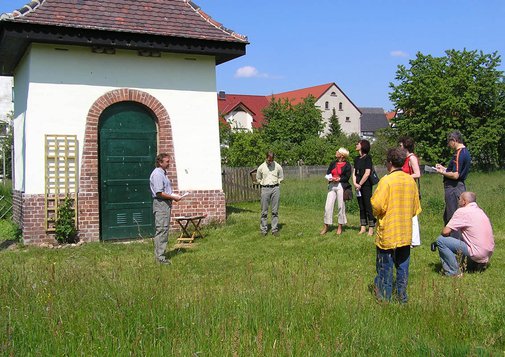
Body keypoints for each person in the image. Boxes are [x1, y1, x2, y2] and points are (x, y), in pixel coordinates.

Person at [371, 148, 421, 303]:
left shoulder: (386, 181)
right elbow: (415, 209)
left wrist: (376, 212)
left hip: (388, 232)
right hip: (405, 233)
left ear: (390, 163)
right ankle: (402, 297)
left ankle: (385, 298)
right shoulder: (410, 181)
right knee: (403, 267)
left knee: (385, 267)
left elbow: (377, 205)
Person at [434, 192, 494, 277]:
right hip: (488, 252)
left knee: (441, 240)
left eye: (459, 198)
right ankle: (476, 266)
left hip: (477, 252)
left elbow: (445, 232)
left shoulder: (462, 211)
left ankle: (453, 273)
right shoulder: (480, 211)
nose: (458, 200)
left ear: (464, 201)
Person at [149, 153, 182, 264]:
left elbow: (165, 191)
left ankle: (161, 255)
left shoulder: (163, 174)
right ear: (160, 162)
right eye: (167, 161)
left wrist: (173, 194)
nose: (169, 163)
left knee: (164, 229)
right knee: (162, 230)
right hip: (161, 204)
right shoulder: (157, 174)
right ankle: (160, 258)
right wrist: (173, 196)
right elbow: (159, 193)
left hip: (165, 204)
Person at [435, 130, 471, 227]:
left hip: (454, 188)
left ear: (454, 140)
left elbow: (455, 175)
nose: (448, 145)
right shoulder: (465, 152)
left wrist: (442, 172)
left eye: (449, 142)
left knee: (453, 216)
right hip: (458, 187)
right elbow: (455, 170)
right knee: (447, 215)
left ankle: (454, 240)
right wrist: (444, 169)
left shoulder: (459, 153)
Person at [320, 147, 352, 235]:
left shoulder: (347, 165)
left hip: (341, 186)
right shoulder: (333, 163)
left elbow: (347, 177)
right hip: (331, 185)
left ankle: (339, 227)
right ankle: (326, 226)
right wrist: (330, 178)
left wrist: (339, 179)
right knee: (328, 206)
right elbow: (328, 173)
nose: (336, 152)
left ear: (342, 155)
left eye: (338, 151)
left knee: (341, 206)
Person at [398, 136, 422, 247]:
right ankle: (406, 237)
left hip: (411, 188)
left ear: (406, 146)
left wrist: (405, 177)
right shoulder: (405, 158)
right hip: (404, 188)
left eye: (401, 145)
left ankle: (415, 240)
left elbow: (417, 174)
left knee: (412, 214)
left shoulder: (412, 158)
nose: (400, 147)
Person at [256, 151, 284, 236]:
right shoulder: (261, 167)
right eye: (269, 160)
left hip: (275, 188)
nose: (270, 162)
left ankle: (274, 229)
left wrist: (277, 182)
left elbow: (281, 177)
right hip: (265, 189)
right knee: (264, 211)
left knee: (275, 211)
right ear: (266, 158)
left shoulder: (278, 166)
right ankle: (263, 230)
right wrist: (262, 183)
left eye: (272, 160)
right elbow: (258, 178)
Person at [352, 139, 376, 235]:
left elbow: (367, 173)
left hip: (365, 185)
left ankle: (371, 227)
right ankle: (362, 227)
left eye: (358, 143)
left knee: (367, 206)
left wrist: (360, 184)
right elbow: (354, 172)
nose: (356, 145)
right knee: (361, 206)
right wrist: (355, 183)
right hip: (357, 185)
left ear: (363, 146)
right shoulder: (356, 158)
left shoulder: (368, 158)